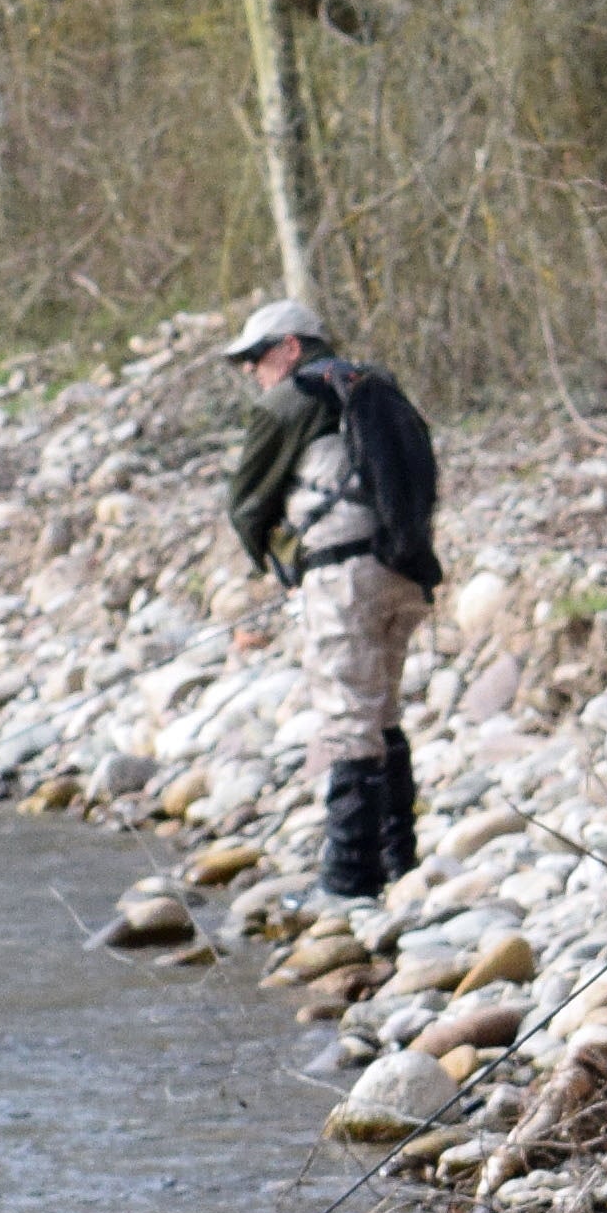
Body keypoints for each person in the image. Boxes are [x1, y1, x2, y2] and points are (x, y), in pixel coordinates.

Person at [220, 297, 439, 900]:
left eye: (255, 357)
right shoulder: (377, 386)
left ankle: (347, 884)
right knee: (382, 714)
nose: (249, 371)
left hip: (344, 577)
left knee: (349, 723)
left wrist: (273, 559)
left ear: (290, 347)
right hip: (404, 572)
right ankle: (401, 865)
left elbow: (244, 503)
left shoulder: (291, 398)